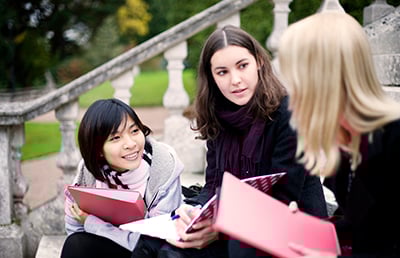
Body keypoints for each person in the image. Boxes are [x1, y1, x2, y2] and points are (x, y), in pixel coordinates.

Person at [163, 25, 328, 257]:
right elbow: (212, 185)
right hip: (235, 226)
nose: (236, 80)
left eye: (242, 66)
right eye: (222, 72)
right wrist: (194, 215)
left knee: (239, 249)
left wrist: (219, 228)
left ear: (259, 61)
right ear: (211, 77)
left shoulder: (289, 114)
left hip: (292, 226)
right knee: (166, 247)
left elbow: (282, 197)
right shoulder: (216, 116)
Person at [278, 11, 400, 258]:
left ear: (323, 82)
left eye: (298, 84)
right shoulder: (349, 145)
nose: (291, 103)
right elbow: (367, 228)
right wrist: (307, 228)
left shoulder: (395, 142)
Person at [60, 98, 184, 258]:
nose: (131, 144)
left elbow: (154, 243)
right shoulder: (88, 172)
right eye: (116, 138)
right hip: (114, 245)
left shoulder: (163, 170)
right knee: (76, 244)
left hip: (151, 251)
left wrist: (92, 223)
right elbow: (75, 229)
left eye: (134, 131)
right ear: (98, 150)